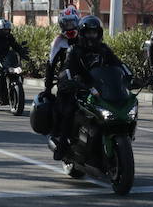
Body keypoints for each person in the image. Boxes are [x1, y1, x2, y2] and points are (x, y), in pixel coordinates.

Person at [51, 15, 126, 160]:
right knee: (69, 110)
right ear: (82, 33)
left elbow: (118, 64)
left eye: (95, 32)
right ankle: (63, 145)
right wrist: (67, 80)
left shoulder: (103, 49)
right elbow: (67, 68)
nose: (92, 36)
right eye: (89, 33)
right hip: (79, 88)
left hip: (100, 88)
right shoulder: (74, 50)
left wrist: (130, 76)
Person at [45, 6, 80, 92]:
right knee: (62, 101)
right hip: (66, 80)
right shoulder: (58, 41)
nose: (69, 26)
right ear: (62, 25)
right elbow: (51, 64)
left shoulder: (84, 39)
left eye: (72, 23)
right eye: (66, 24)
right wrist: (48, 88)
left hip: (85, 79)